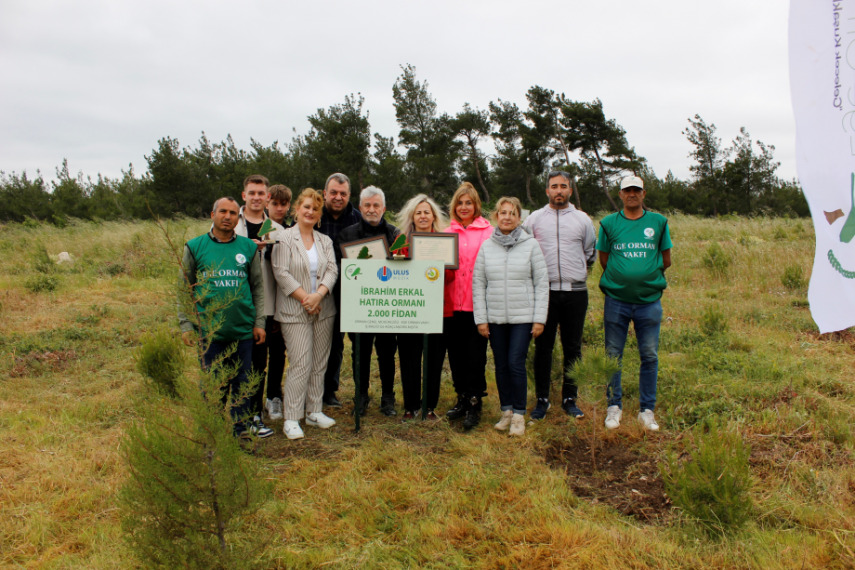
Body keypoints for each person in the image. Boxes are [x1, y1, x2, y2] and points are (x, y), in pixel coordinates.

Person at [178, 197, 269, 439]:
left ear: (238, 218)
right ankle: (213, 433)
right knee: (213, 386)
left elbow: (258, 288)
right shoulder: (194, 247)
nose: (227, 217)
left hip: (243, 331)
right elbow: (184, 288)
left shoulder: (248, 248)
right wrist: (186, 324)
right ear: (212, 214)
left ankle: (241, 433)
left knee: (243, 385)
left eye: (232, 213)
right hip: (209, 333)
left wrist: (259, 323)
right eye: (223, 212)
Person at [597, 175, 672, 432]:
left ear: (643, 193)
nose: (632, 194)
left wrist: (644, 277)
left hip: (649, 302)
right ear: (620, 194)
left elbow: (666, 258)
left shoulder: (659, 223)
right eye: (627, 190)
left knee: (649, 355)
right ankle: (613, 407)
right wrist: (623, 277)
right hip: (616, 300)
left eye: (636, 190)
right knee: (612, 355)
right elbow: (604, 259)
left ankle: (647, 410)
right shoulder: (608, 224)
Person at [523, 170, 596, 420]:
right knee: (543, 346)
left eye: (563, 186)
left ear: (570, 190)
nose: (558, 191)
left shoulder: (583, 219)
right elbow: (525, 251)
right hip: (545, 293)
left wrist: (576, 273)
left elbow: (590, 253)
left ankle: (569, 398)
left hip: (575, 294)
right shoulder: (533, 219)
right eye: (554, 186)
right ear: (547, 191)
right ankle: (542, 399)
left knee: (573, 347)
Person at [473, 197, 548, 436]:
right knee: (502, 364)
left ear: (519, 218)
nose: (507, 217)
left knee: (516, 363)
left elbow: (541, 283)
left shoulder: (531, 245)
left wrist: (539, 318)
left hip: (522, 317)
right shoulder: (486, 247)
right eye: (503, 213)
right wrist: (481, 319)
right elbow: (478, 284)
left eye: (512, 213)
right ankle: (505, 411)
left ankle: (518, 414)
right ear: (496, 216)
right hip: (494, 317)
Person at [271, 189, 339, 440]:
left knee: (320, 363)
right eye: (306, 207)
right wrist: (305, 298)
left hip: (323, 309)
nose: (310, 212)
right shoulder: (284, 237)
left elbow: (332, 270)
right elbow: (281, 272)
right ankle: (292, 417)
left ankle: (314, 410)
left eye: (315, 209)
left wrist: (318, 295)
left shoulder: (325, 241)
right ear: (296, 209)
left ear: (320, 214)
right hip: (294, 310)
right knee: (301, 362)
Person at [337, 186, 401, 417]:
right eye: (367, 205)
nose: (372, 209)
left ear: (383, 208)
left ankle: (388, 397)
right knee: (360, 352)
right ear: (360, 207)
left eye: (376, 205)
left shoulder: (395, 234)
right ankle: (361, 395)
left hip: (386, 307)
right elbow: (342, 271)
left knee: (386, 353)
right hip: (360, 306)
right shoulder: (347, 235)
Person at [234, 174, 283, 436]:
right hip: (237, 304)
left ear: (267, 197)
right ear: (244, 195)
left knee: (258, 363)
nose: (256, 197)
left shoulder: (277, 230)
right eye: (251, 192)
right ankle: (235, 414)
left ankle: (255, 413)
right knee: (236, 361)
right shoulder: (231, 224)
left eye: (260, 193)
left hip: (266, 307)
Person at [394, 194, 449, 421]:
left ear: (434, 216)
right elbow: (396, 274)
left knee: (434, 360)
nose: (423, 216)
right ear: (412, 217)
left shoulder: (444, 242)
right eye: (419, 212)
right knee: (409, 357)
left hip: (439, 310)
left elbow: (452, 275)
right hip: (410, 308)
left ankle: (429, 406)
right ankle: (410, 406)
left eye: (427, 212)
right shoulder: (402, 242)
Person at [444, 182, 494, 430]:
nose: (464, 207)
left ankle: (475, 402)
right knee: (456, 356)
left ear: (476, 205)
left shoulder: (488, 233)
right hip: (452, 306)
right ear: (454, 206)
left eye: (468, 203)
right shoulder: (446, 233)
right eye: (460, 203)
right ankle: (462, 398)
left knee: (476, 358)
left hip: (477, 307)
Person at [318, 173, 363, 409]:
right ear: (324, 193)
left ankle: (360, 394)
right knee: (331, 342)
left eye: (343, 194)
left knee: (358, 342)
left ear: (349, 196)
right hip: (322, 290)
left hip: (353, 290)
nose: (338, 197)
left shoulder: (358, 219)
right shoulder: (315, 216)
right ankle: (326, 391)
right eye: (333, 192)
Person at [261, 184, 292, 421]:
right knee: (258, 354)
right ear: (267, 203)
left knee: (278, 353)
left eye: (283, 204)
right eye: (275, 204)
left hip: (282, 301)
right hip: (260, 302)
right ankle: (253, 398)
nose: (279, 208)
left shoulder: (290, 232)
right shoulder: (257, 230)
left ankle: (274, 396)